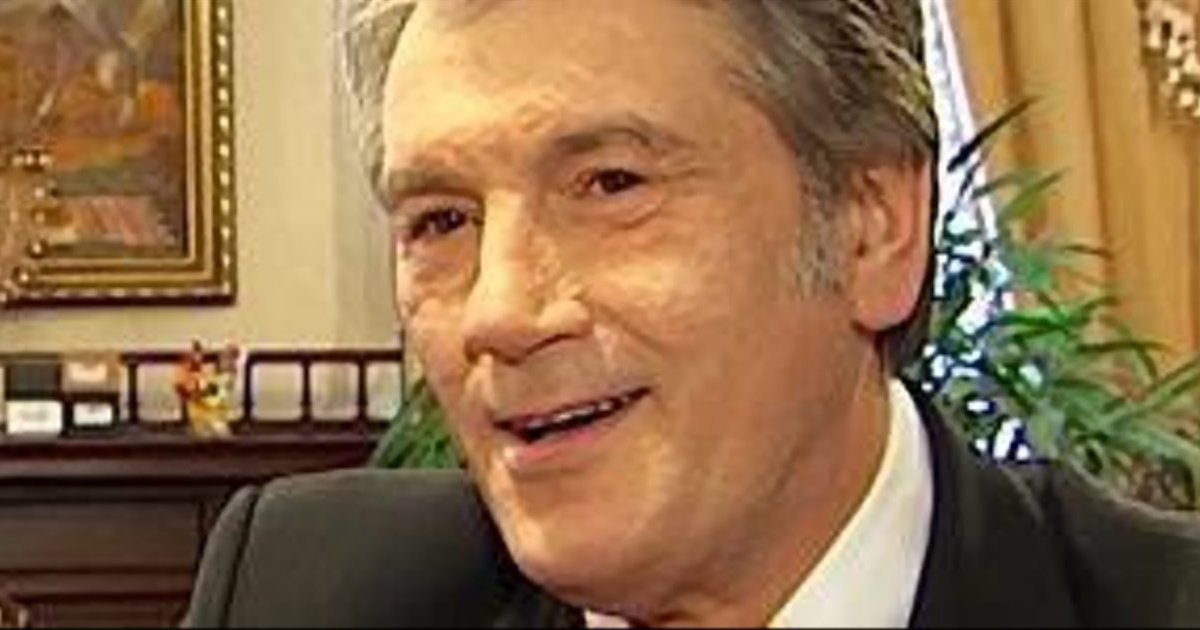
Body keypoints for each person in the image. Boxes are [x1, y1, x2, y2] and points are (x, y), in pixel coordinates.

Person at [185, 0, 1200, 627]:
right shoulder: (303, 592)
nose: (499, 311)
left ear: (872, 227)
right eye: (441, 219)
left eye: (612, 185)